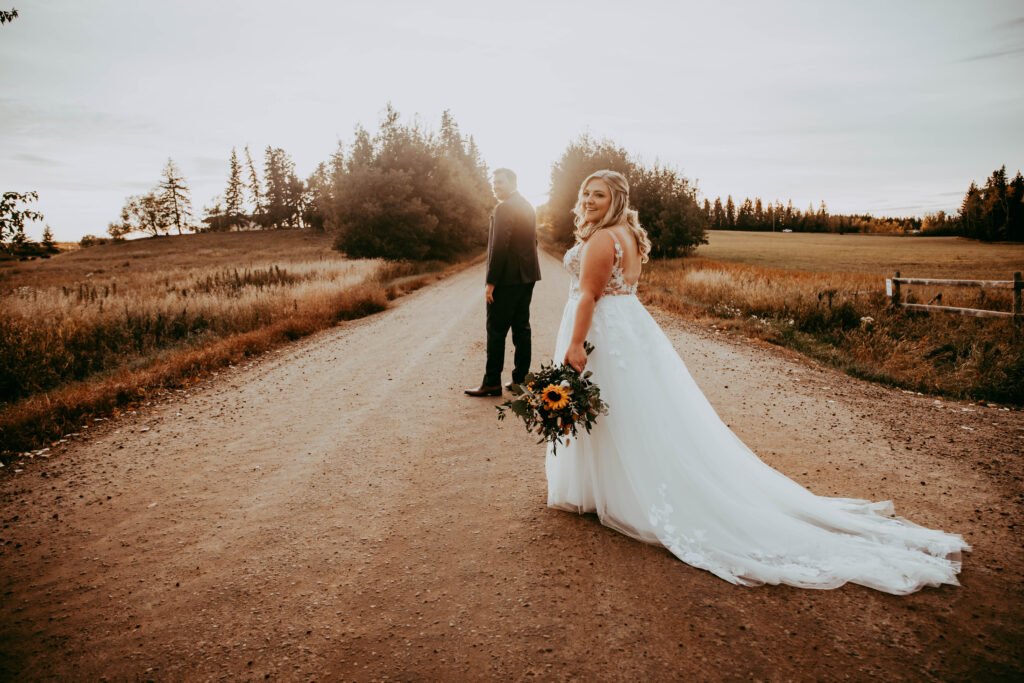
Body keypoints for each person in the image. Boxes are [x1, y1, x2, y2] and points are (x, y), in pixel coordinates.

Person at [546, 169, 969, 594]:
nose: (588, 200)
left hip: (603, 330)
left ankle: (623, 496)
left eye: (598, 194)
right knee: (629, 412)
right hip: (628, 330)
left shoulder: (603, 238)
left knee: (617, 411)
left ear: (617, 198)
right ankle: (608, 491)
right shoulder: (627, 234)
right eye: (585, 194)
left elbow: (588, 295)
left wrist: (578, 342)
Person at [466, 168, 542, 397]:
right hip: (526, 277)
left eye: (499, 182)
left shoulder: (504, 208)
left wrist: (491, 282)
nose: (495, 186)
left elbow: (499, 247)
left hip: (507, 280)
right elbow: (533, 241)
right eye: (493, 183)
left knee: (496, 330)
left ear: (512, 182)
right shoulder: (527, 205)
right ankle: (520, 381)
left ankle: (492, 383)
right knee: (522, 328)